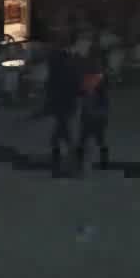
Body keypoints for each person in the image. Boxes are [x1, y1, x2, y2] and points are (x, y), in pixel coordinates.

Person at [38, 42, 79, 177]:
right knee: (62, 135)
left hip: (63, 107)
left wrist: (46, 109)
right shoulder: (67, 72)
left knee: (61, 135)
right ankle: (67, 163)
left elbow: (53, 94)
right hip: (66, 107)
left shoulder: (57, 75)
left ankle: (69, 165)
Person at [76, 47, 111, 172]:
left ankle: (80, 162)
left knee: (86, 138)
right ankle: (102, 162)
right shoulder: (99, 77)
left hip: (93, 112)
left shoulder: (93, 77)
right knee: (95, 138)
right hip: (95, 112)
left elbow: (83, 92)